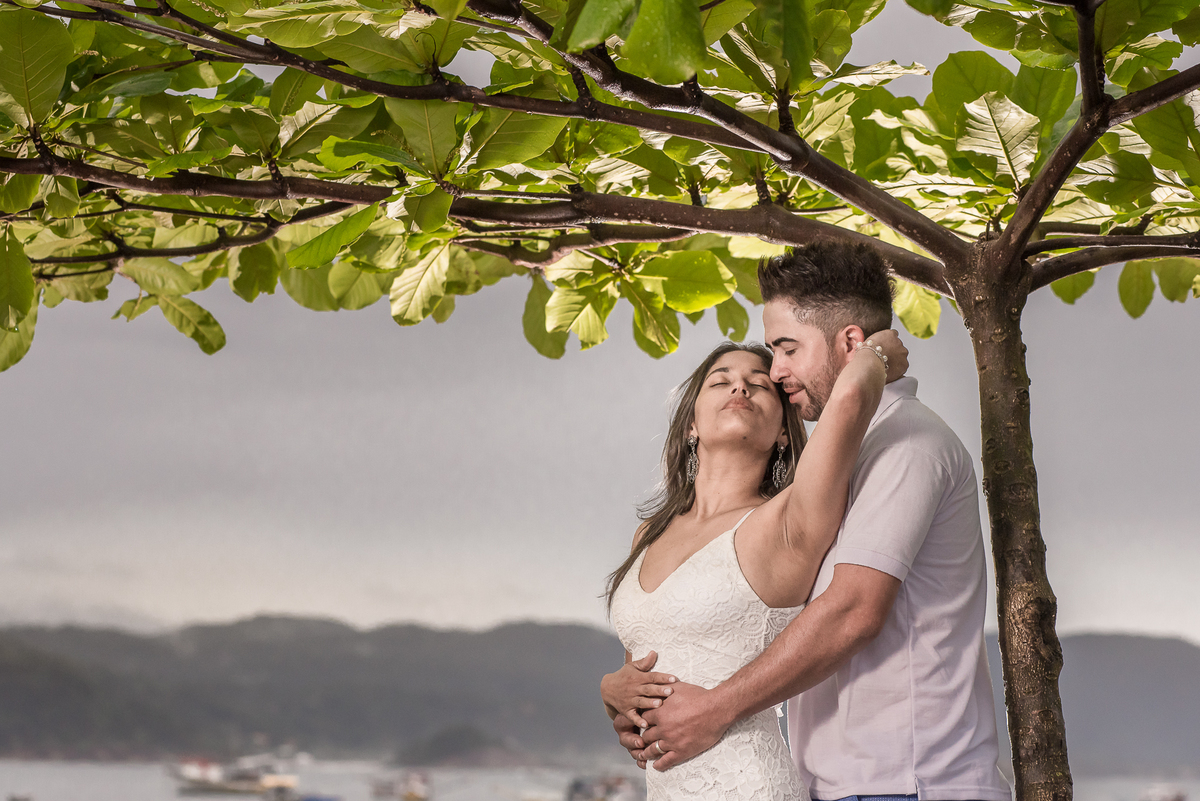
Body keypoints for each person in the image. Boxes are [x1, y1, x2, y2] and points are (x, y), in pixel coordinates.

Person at [614, 242, 1011, 801]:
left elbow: (853, 610)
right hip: (836, 783)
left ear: (850, 342)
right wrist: (620, 688)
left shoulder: (908, 446)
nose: (774, 373)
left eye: (786, 349)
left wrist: (715, 709)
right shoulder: (845, 452)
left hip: (912, 782)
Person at [602, 325, 909, 800]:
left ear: (785, 433)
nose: (740, 387)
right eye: (721, 381)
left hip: (749, 784)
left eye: (761, 384)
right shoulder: (649, 534)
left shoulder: (787, 519)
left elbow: (848, 402)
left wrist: (876, 352)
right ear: (691, 424)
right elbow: (646, 665)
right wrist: (613, 692)